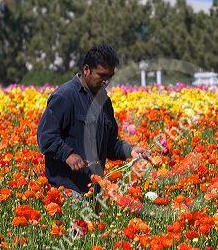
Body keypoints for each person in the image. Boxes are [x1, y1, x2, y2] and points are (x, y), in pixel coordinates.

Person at [37, 44, 147, 199]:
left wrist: (130, 151)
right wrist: (67, 154)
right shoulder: (65, 96)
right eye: (101, 75)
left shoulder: (104, 102)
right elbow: (46, 137)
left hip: (93, 191)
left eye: (109, 77)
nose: (106, 82)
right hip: (66, 191)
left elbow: (110, 145)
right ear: (86, 70)